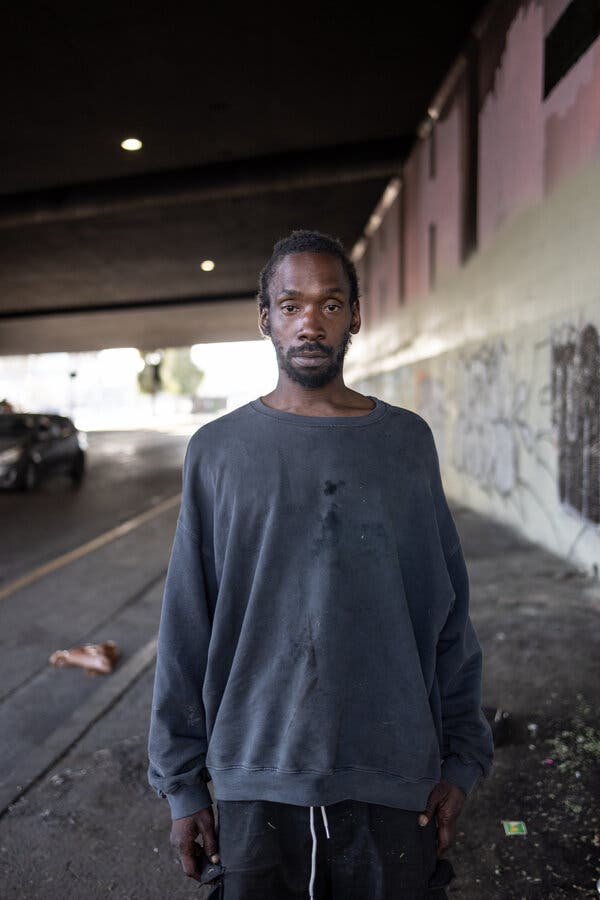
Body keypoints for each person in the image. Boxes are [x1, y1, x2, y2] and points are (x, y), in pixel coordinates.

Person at [147, 230, 494, 899]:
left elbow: (447, 612)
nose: (310, 321)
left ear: (355, 317)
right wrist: (182, 785)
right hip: (255, 773)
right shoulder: (218, 452)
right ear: (265, 318)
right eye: (291, 304)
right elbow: (188, 624)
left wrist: (462, 756)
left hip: (393, 774)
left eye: (330, 304)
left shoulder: (405, 444)